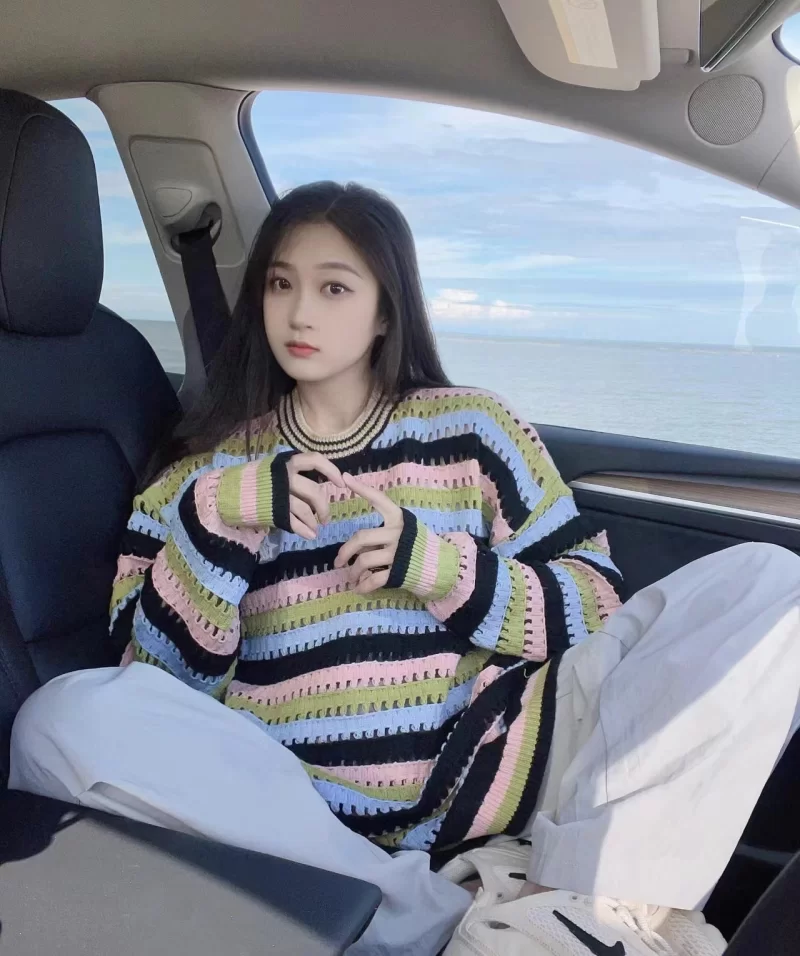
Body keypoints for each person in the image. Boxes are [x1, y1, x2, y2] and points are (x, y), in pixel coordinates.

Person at [9, 181, 800, 956]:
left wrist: (445, 570)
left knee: (769, 581)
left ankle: (572, 904)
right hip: (306, 811)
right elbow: (156, 688)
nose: (301, 312)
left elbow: (594, 603)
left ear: (385, 310)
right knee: (63, 717)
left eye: (334, 287)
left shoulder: (474, 428)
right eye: (281, 285)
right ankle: (446, 917)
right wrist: (220, 521)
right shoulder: (196, 478)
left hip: (498, 753)